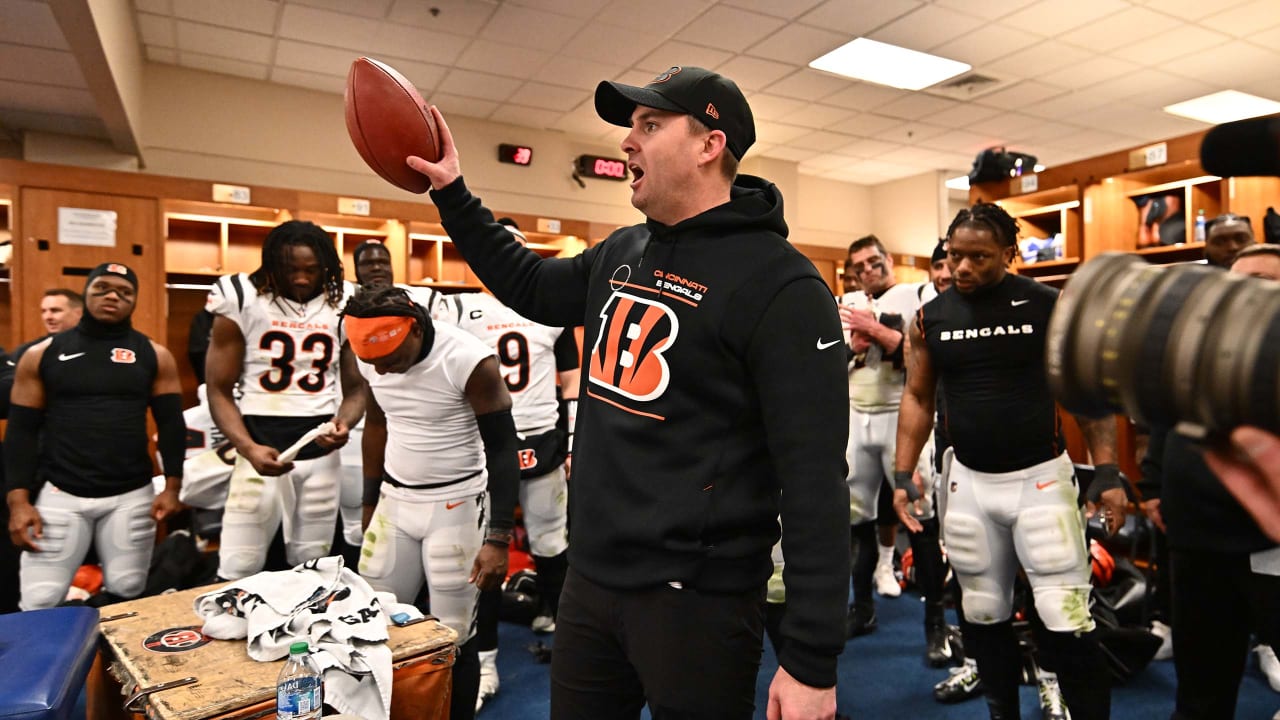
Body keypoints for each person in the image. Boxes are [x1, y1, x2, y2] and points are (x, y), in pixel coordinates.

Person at [406, 64, 850, 720]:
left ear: (709, 145)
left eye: (649, 125)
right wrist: (453, 194)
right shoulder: (623, 249)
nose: (627, 142)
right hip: (592, 582)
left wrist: (811, 661)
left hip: (698, 603)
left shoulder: (784, 288)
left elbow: (815, 484)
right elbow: (531, 285)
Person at [894, 202, 1126, 720]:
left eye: (978, 257)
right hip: (970, 483)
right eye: (955, 256)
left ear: (1008, 254)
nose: (963, 268)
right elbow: (917, 397)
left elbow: (1086, 395)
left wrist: (1108, 471)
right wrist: (902, 472)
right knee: (981, 613)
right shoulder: (931, 317)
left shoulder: (1049, 305)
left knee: (1064, 617)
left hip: (1040, 480)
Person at [344, 285, 518, 720]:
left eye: (390, 359)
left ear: (416, 330)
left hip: (456, 505)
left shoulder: (468, 359)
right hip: (394, 500)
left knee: (454, 635)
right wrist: (368, 505)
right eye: (372, 363)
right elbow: (377, 424)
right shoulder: (370, 356)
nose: (381, 371)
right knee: (373, 626)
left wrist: (499, 537)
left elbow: (502, 449)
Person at [435, 220, 581, 713]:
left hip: (539, 444)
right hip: (485, 447)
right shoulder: (457, 308)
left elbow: (571, 383)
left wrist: (573, 441)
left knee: (551, 544)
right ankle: (488, 658)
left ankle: (563, 637)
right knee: (489, 555)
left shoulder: (551, 310)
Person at [1140, 243, 1280, 720]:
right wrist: (1154, 487)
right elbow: (1165, 422)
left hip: (1270, 545)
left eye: (1265, 280)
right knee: (1202, 682)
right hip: (1197, 542)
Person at [4, 263, 185, 608]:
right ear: (87, 293)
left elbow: (172, 424)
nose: (113, 295)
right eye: (102, 288)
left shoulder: (154, 355)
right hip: (61, 491)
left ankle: (108, 663)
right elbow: (21, 431)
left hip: (131, 493)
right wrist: (18, 501)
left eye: (124, 291)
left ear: (134, 301)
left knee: (128, 589)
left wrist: (173, 487)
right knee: (39, 599)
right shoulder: (41, 354)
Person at [204, 220, 364, 580]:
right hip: (259, 440)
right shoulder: (241, 296)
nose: (303, 279)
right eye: (291, 270)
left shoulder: (345, 301)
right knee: (238, 563)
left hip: (320, 449)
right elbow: (218, 388)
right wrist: (246, 447)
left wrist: (344, 424)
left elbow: (357, 389)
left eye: (312, 270)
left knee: (312, 564)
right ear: (271, 265)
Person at [838, 234, 953, 671]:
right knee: (857, 518)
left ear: (888, 260)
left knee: (919, 517)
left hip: (900, 417)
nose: (868, 271)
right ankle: (861, 606)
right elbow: (832, 360)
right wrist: (853, 345)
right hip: (855, 418)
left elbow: (921, 359)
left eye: (874, 262)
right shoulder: (845, 302)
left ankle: (935, 622)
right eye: (859, 266)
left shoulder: (917, 296)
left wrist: (878, 332)